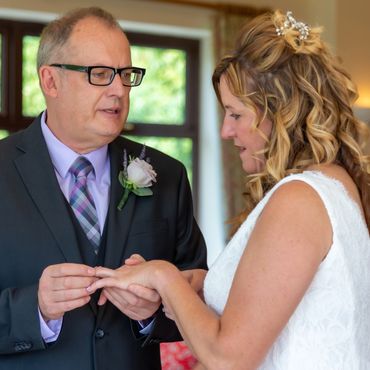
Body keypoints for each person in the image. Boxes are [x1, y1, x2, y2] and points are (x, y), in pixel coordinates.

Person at [88, 9, 370, 370]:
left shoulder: (298, 199)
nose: (225, 131)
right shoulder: (335, 181)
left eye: (236, 114)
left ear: (279, 113)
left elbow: (228, 357)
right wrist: (204, 286)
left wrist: (164, 275)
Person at [0, 6, 207, 370]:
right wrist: (34, 307)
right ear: (50, 81)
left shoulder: (168, 175)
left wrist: (154, 312)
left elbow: (204, 297)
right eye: (100, 74)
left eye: (126, 75)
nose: (119, 90)